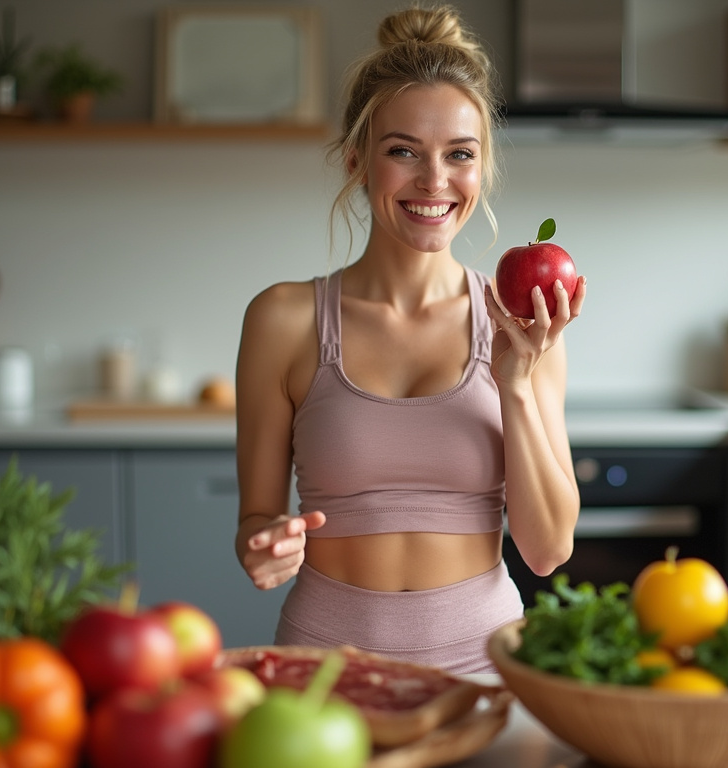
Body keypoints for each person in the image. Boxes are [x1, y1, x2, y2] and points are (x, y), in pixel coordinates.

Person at [234, 3, 586, 674]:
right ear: (356, 161)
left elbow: (547, 550)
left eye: (460, 155)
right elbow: (256, 521)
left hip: (487, 670)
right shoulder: (282, 320)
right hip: (321, 670)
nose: (434, 181)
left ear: (481, 169)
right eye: (404, 152)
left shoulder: (521, 321)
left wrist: (513, 382)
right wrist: (262, 545)